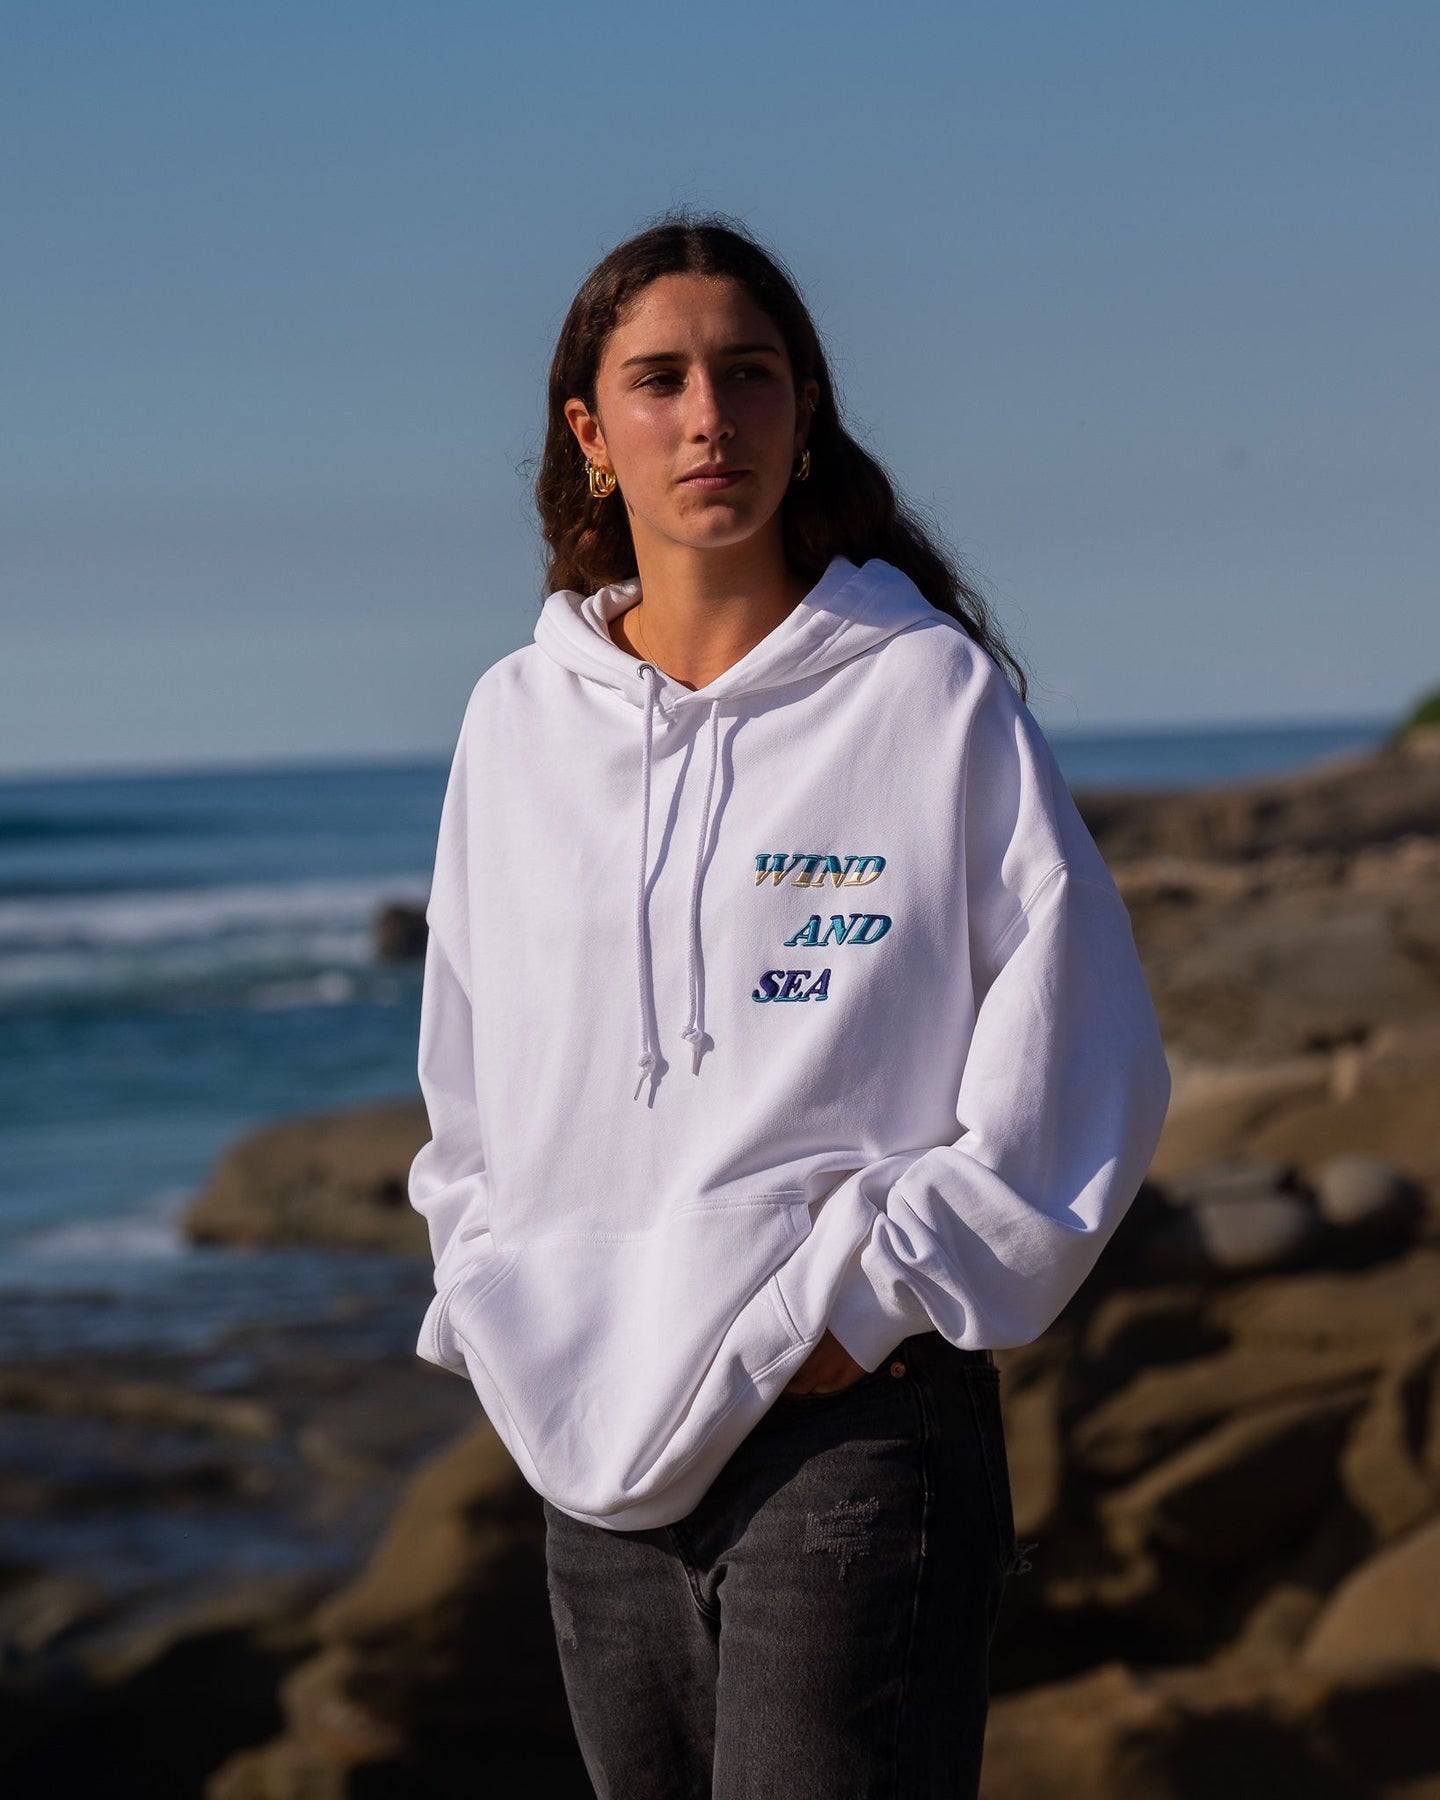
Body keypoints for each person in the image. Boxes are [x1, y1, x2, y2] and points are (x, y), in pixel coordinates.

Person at [407, 211, 1171, 1798]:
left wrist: (868, 1299)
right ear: (590, 434)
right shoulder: (517, 721)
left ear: (803, 410)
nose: (711, 418)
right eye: (661, 381)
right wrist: (490, 1287)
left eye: (749, 375)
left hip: (847, 1435)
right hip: (588, 1455)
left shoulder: (922, 692)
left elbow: (1082, 1048)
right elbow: (467, 1073)